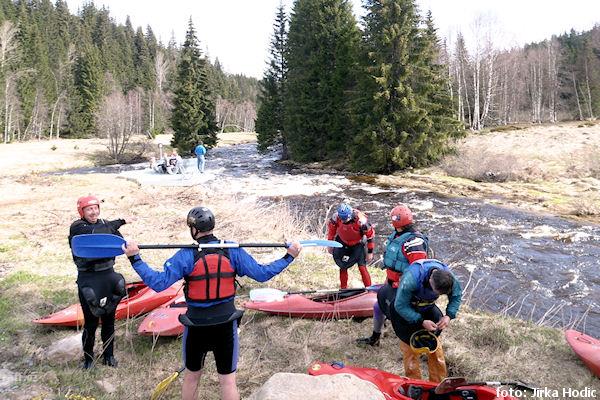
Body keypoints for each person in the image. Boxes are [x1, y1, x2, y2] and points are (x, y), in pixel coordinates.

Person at [122, 206, 302, 400]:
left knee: (192, 378)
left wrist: (135, 258)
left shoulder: (186, 255)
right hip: (226, 325)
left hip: (196, 326)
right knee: (228, 381)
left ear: (194, 229)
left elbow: (159, 283)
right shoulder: (232, 251)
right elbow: (262, 273)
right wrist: (289, 256)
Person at [68, 195, 135, 369]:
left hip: (108, 275)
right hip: (89, 278)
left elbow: (120, 242)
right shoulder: (78, 227)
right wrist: (118, 222)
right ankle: (89, 359)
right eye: (89, 209)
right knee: (91, 323)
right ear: (81, 212)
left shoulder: (105, 224)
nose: (94, 212)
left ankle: (109, 356)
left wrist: (118, 228)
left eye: (96, 208)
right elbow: (97, 233)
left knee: (109, 320)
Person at [356, 203, 429, 347]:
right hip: (392, 282)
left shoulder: (414, 243)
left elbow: (418, 271)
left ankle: (417, 344)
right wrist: (388, 280)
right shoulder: (397, 235)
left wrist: (404, 287)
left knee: (403, 316)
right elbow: (394, 264)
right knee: (378, 307)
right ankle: (375, 337)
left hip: (405, 287)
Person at [389, 258, 462, 383]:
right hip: (405, 307)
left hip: (427, 306)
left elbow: (456, 296)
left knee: (434, 343)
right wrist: (421, 321)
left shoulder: (450, 278)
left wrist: (449, 315)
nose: (439, 295)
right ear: (430, 281)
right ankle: (414, 383)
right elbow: (400, 305)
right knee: (410, 346)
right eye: (437, 292)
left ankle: (437, 382)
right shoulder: (411, 279)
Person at [327, 202, 374, 289]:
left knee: (362, 267)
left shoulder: (361, 221)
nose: (343, 221)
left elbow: (370, 236)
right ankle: (343, 289)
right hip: (342, 242)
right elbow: (331, 232)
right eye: (342, 219)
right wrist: (330, 244)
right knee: (342, 266)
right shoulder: (336, 218)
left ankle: (369, 289)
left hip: (357, 244)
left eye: (345, 219)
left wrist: (370, 252)